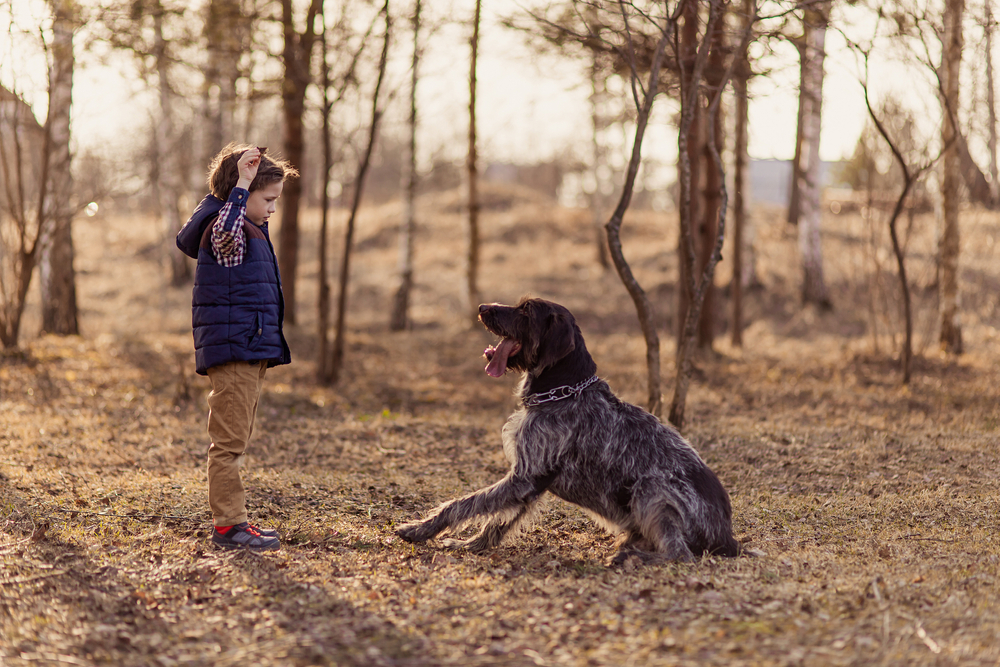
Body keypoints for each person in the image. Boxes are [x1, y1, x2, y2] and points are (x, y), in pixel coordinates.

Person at [176, 143, 298, 552]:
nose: (273, 209)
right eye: (269, 199)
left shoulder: (249, 228)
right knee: (228, 445)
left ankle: (236, 520)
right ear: (241, 195)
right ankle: (229, 527)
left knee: (236, 442)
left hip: (248, 347)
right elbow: (226, 230)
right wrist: (243, 184)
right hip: (234, 351)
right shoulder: (226, 230)